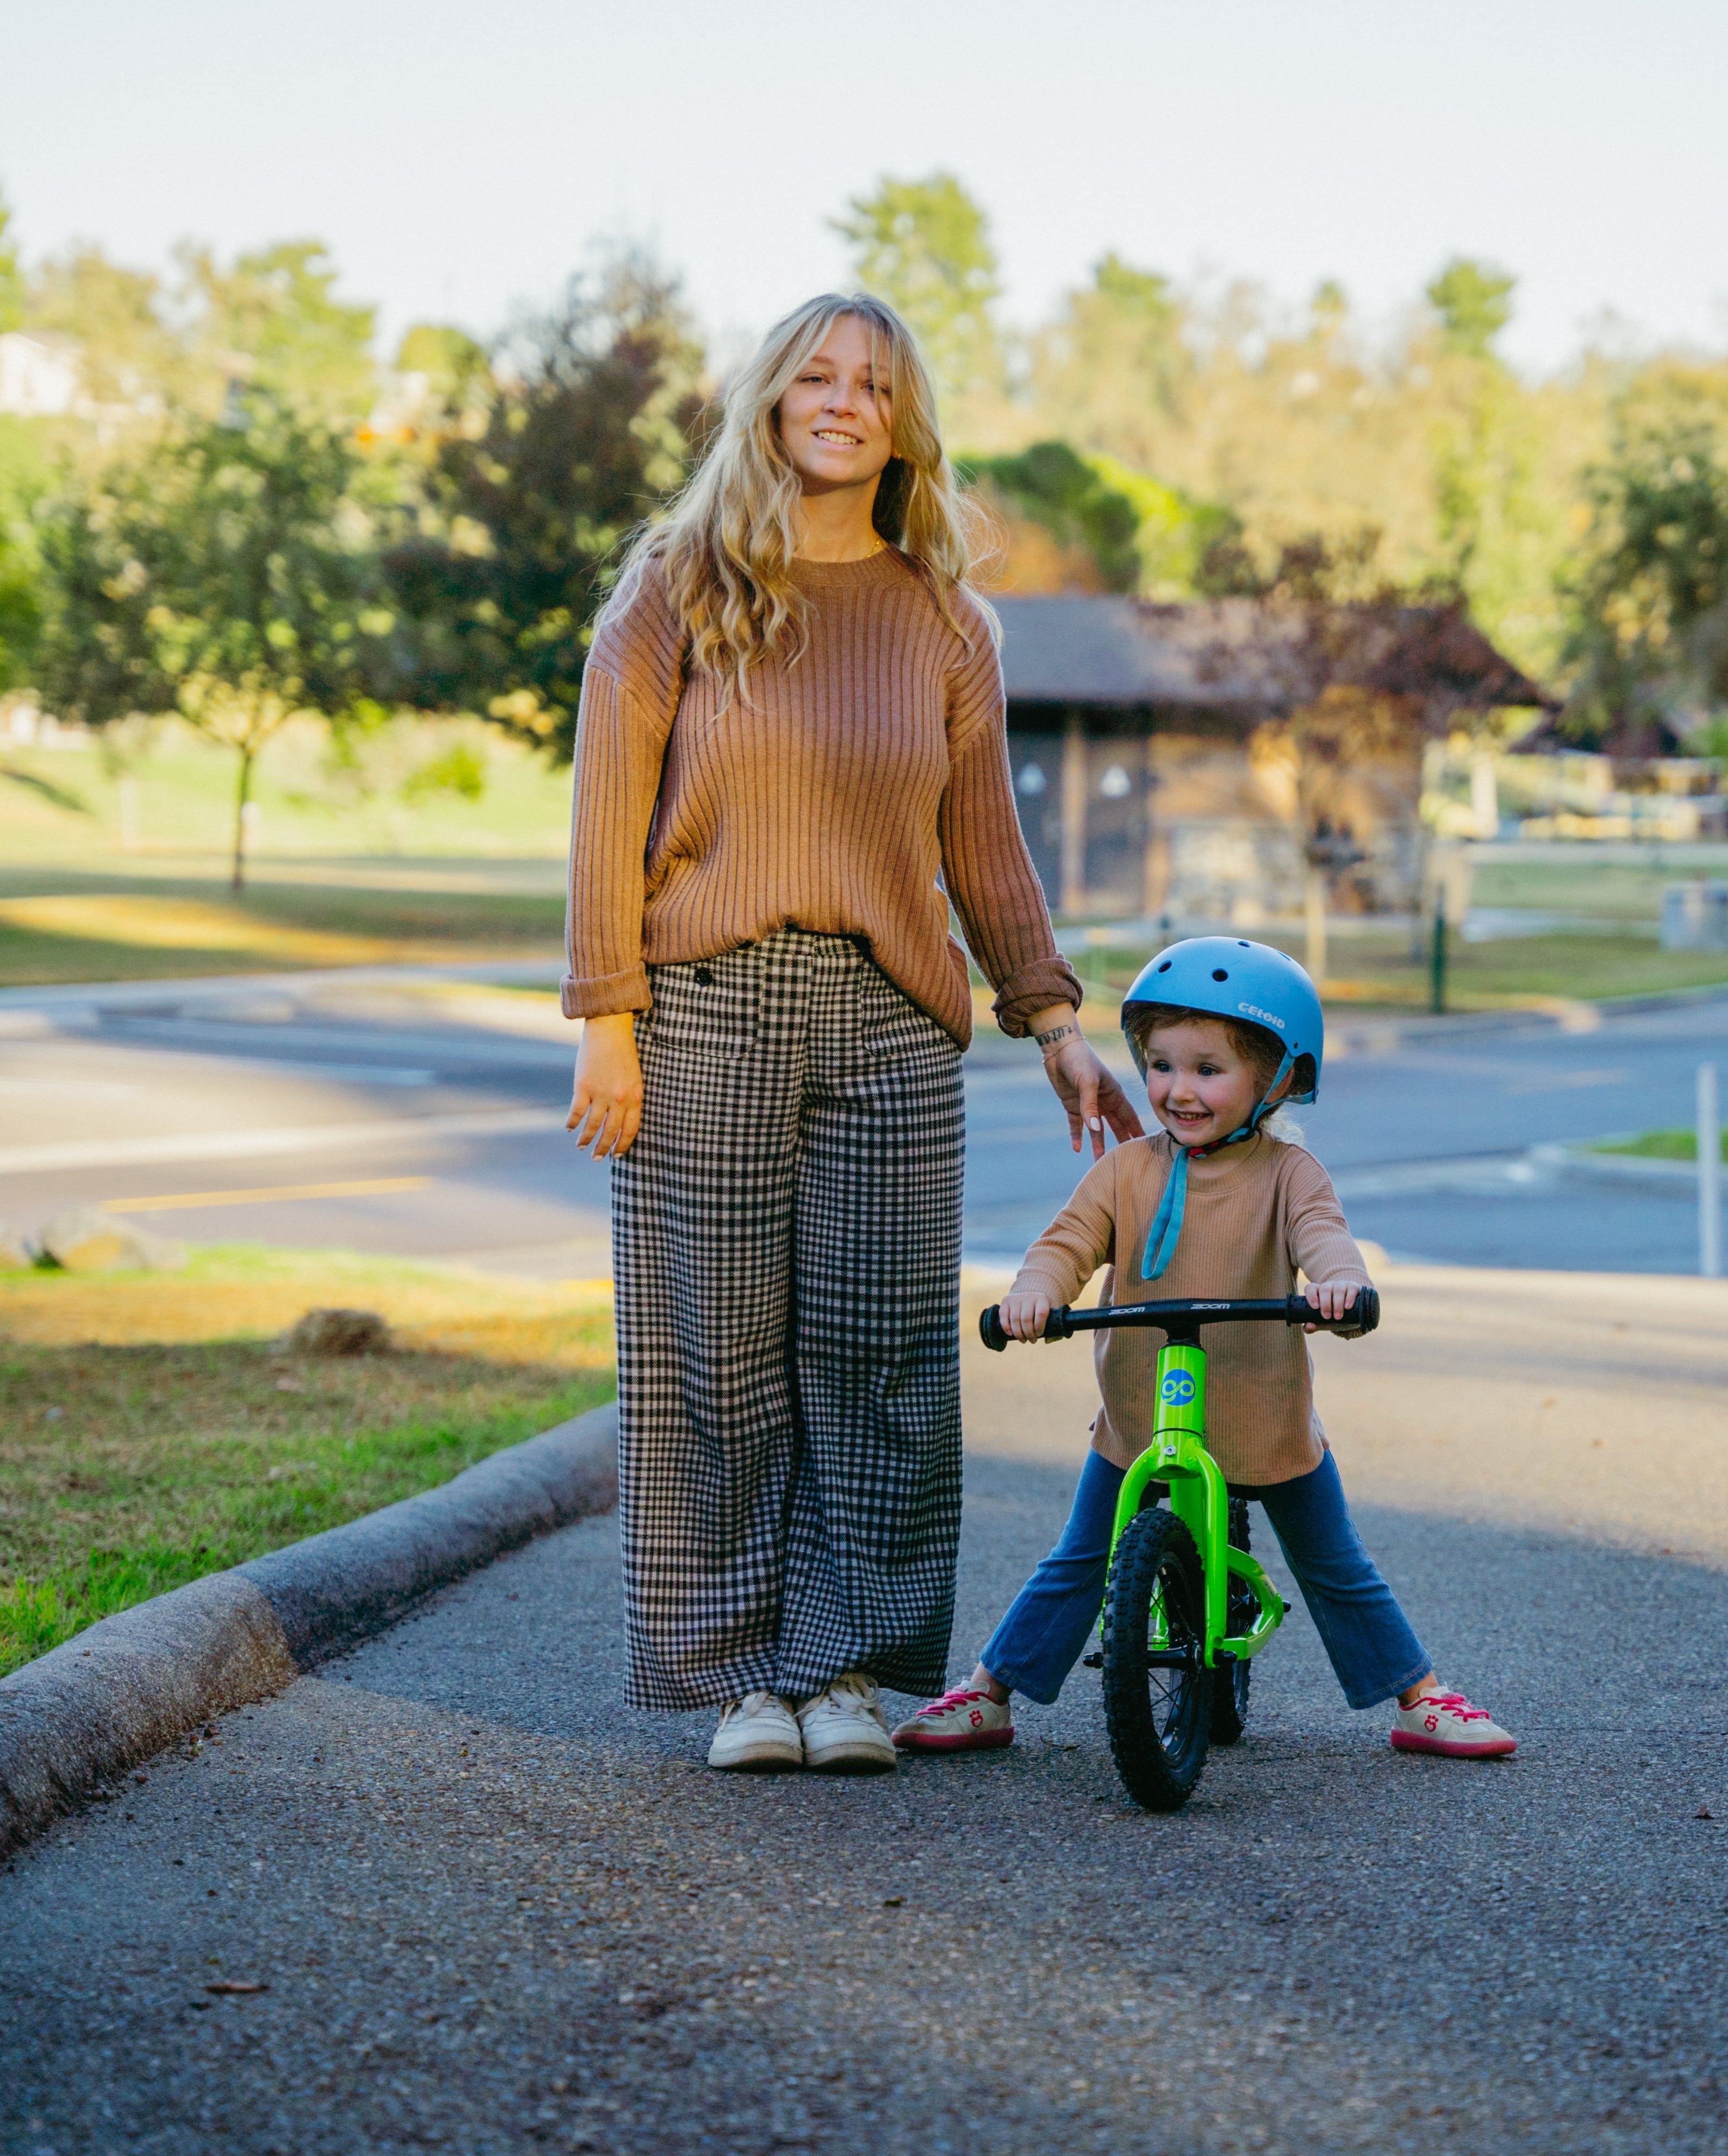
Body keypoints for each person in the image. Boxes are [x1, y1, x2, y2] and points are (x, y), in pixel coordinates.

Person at [561, 293, 1142, 1778]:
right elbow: (607, 812)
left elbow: (985, 842)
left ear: (903, 424)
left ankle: (848, 1673)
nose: (842, 402)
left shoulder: (947, 622)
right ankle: (742, 1678)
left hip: (890, 1025)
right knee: (713, 1352)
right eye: (816, 377)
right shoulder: (679, 587)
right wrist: (606, 1019)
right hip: (705, 1008)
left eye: (873, 386)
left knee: (880, 1352)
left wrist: (1054, 1021)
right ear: (770, 401)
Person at [890, 938, 1517, 1761]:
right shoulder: (1126, 1173)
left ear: (1276, 1080)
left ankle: (1420, 1697)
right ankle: (989, 1691)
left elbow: (1325, 1238)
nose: (1178, 1090)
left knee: (1335, 1565)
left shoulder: (1290, 1175)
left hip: (1264, 1420)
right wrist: (1034, 1295)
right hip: (1139, 1420)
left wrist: (1340, 1287)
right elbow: (1065, 1243)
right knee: (1081, 1557)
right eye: (1161, 1065)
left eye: (1208, 1070)